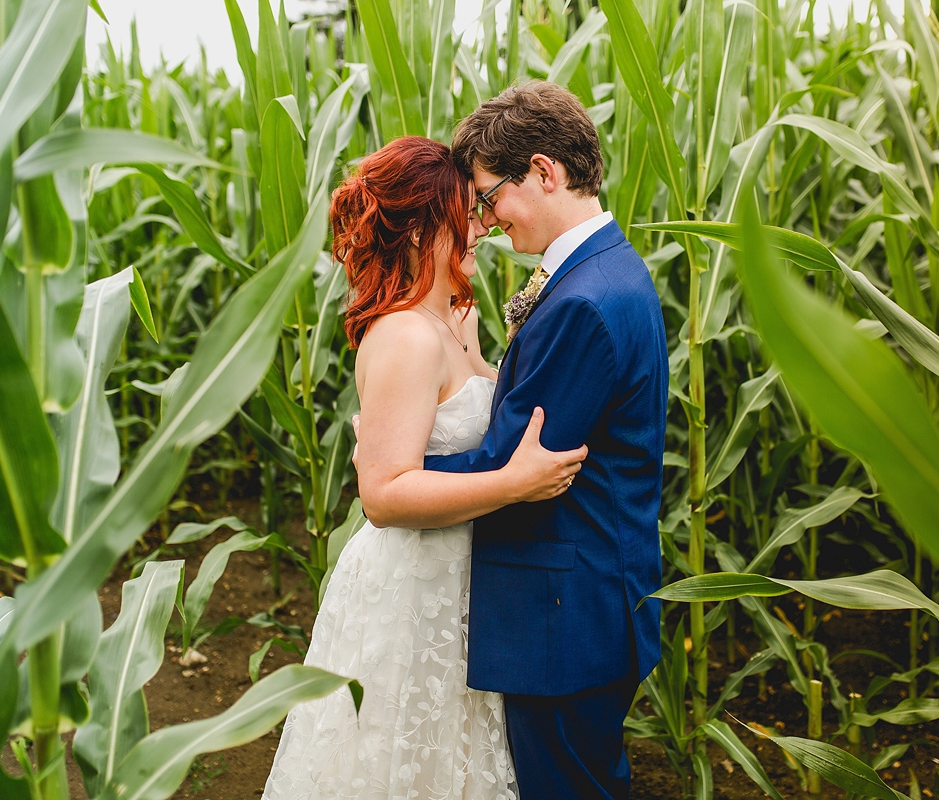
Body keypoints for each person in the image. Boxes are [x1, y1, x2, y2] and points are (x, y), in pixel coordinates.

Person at [262, 135, 587, 800]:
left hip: (462, 581)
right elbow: (382, 494)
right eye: (465, 212)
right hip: (412, 588)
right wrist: (514, 484)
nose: (481, 225)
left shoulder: (454, 315)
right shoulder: (405, 335)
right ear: (417, 226)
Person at [423, 81, 668, 799]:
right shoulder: (611, 272)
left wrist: (400, 470)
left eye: (491, 196)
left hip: (564, 617)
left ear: (545, 171)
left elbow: (514, 462)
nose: (489, 220)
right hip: (591, 600)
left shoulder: (582, 303)